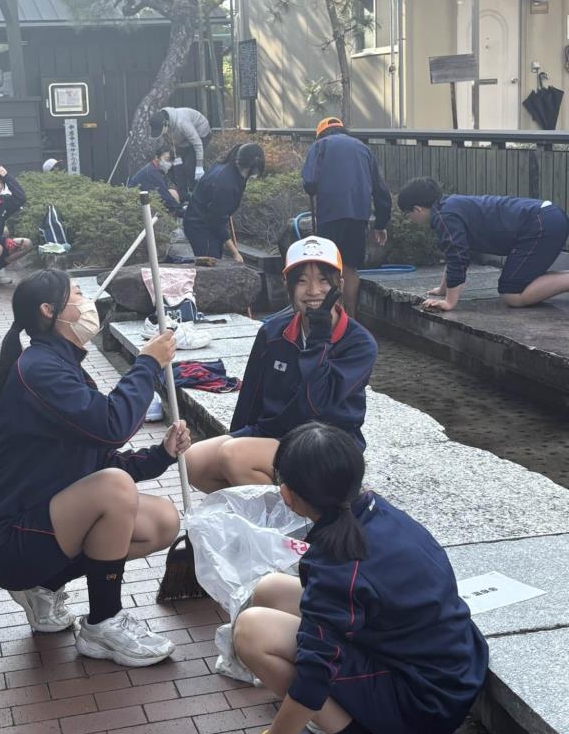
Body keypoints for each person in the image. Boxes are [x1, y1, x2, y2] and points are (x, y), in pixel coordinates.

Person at [209, 422, 489, 734]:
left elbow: (312, 675)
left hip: (424, 703)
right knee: (270, 588)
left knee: (252, 633)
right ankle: (346, 718)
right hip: (448, 669)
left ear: (287, 495)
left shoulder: (339, 568)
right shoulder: (377, 512)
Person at [0, 270, 190, 667]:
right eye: (78, 294)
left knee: (162, 520)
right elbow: (112, 426)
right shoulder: (40, 369)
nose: (87, 301)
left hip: (43, 520)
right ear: (49, 311)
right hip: (7, 538)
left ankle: (44, 585)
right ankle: (104, 623)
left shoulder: (63, 365)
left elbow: (96, 460)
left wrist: (161, 455)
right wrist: (146, 364)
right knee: (116, 489)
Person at [185, 235, 377, 494]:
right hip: (273, 433)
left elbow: (316, 403)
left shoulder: (359, 343)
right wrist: (238, 435)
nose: (313, 291)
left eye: (323, 280)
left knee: (235, 456)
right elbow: (251, 397)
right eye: (301, 281)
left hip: (328, 444)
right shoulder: (273, 332)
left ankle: (304, 526)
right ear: (287, 284)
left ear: (339, 285)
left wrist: (319, 339)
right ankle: (273, 522)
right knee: (194, 462)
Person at [398, 177, 569, 311]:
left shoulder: (444, 216)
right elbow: (454, 253)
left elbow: (458, 256)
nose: (410, 220)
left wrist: (450, 302)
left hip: (541, 224)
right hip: (545, 217)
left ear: (417, 209)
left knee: (512, 293)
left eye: (408, 215)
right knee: (514, 284)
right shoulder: (447, 207)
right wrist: (443, 290)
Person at [302, 117, 392, 317]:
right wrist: (381, 223)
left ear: (321, 133)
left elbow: (309, 182)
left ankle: (332, 315)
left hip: (330, 214)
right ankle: (349, 316)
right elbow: (380, 188)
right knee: (350, 267)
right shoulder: (363, 148)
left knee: (329, 266)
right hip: (357, 216)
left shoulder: (319, 146)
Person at [182, 143, 265, 263]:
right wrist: (235, 252)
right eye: (253, 171)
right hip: (200, 227)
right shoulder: (225, 184)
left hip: (205, 218)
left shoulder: (230, 163)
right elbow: (216, 222)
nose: (255, 175)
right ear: (240, 163)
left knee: (215, 260)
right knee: (211, 264)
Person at [149, 106, 212, 199]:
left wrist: (199, 166)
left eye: (161, 132)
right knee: (177, 168)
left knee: (190, 166)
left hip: (201, 133)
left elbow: (198, 143)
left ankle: (198, 195)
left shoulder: (182, 123)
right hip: (184, 139)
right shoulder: (162, 119)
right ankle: (183, 196)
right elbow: (173, 144)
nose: (162, 134)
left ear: (166, 124)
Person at [127, 141, 184, 218]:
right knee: (170, 200)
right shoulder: (152, 173)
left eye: (170, 160)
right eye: (167, 159)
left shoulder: (155, 169)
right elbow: (166, 197)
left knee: (173, 193)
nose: (169, 163)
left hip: (143, 200)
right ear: (157, 158)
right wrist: (183, 213)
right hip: (135, 205)